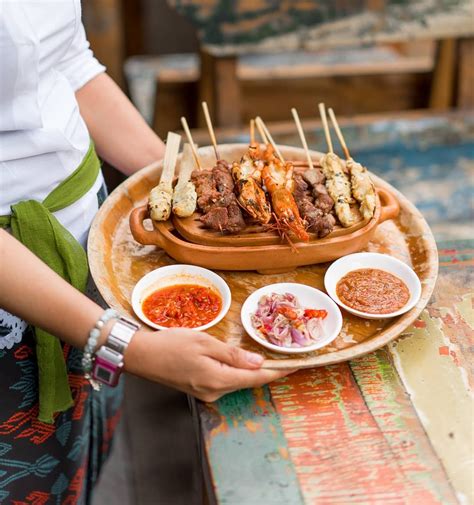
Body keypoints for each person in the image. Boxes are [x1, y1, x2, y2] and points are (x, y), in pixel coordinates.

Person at [0, 2, 292, 503]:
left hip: (94, 250)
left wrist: (190, 191)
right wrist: (128, 348)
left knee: (83, 454)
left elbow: (68, 61)